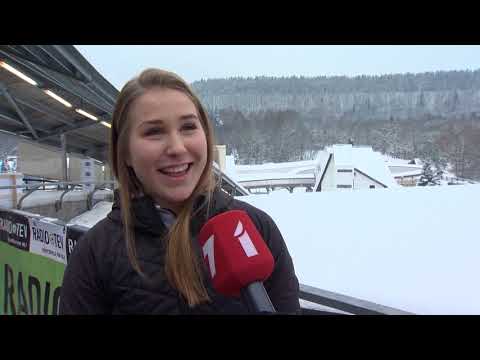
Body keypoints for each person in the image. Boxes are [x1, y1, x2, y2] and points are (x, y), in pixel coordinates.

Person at [59, 68, 300, 314]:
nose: (176, 147)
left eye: (188, 127)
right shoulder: (95, 254)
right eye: (154, 132)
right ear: (125, 153)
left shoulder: (257, 228)